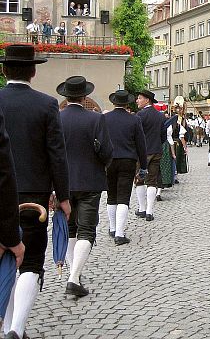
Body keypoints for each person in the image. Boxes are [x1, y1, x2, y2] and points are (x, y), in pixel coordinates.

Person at [0, 44, 70, 339]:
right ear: (33, 71)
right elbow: (56, 153)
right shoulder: (46, 104)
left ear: (4, 70)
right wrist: (63, 195)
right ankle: (16, 328)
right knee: (29, 261)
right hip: (33, 194)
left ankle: (8, 325)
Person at [58, 76, 113, 297]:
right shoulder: (96, 119)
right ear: (84, 96)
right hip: (90, 180)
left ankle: (75, 272)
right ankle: (73, 277)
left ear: (66, 95)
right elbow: (107, 152)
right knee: (87, 230)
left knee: (70, 228)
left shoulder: (57, 118)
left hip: (63, 182)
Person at [104, 89, 148, 245]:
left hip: (109, 160)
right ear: (127, 103)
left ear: (113, 102)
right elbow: (141, 145)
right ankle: (120, 235)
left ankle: (112, 227)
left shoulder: (104, 118)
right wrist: (143, 166)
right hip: (128, 161)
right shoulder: (134, 120)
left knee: (111, 196)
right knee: (123, 197)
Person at [135, 90, 166, 222]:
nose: (137, 100)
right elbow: (163, 135)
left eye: (139, 98)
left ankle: (142, 208)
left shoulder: (140, 115)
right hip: (157, 150)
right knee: (152, 181)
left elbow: (136, 135)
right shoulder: (160, 116)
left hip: (142, 153)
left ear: (147, 100)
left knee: (140, 180)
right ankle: (149, 211)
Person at [0, 107, 25, 269]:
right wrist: (10, 237)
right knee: (31, 264)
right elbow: (3, 173)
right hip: (36, 187)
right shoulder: (47, 104)